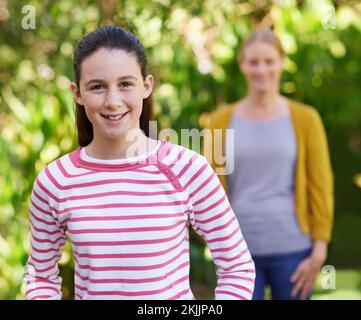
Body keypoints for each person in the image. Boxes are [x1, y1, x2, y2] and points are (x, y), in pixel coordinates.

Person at [23, 25, 255, 300]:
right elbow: (40, 276)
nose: (112, 101)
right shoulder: (55, 181)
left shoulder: (188, 169)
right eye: (97, 87)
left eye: (125, 84)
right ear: (77, 93)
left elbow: (237, 266)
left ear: (146, 86)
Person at [204, 28, 333, 300]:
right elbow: (210, 191)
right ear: (242, 65)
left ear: (281, 62)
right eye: (253, 62)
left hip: (293, 250)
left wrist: (319, 249)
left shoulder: (306, 119)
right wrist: (216, 246)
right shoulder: (219, 121)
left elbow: (320, 185)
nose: (261, 70)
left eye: (268, 61)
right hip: (237, 252)